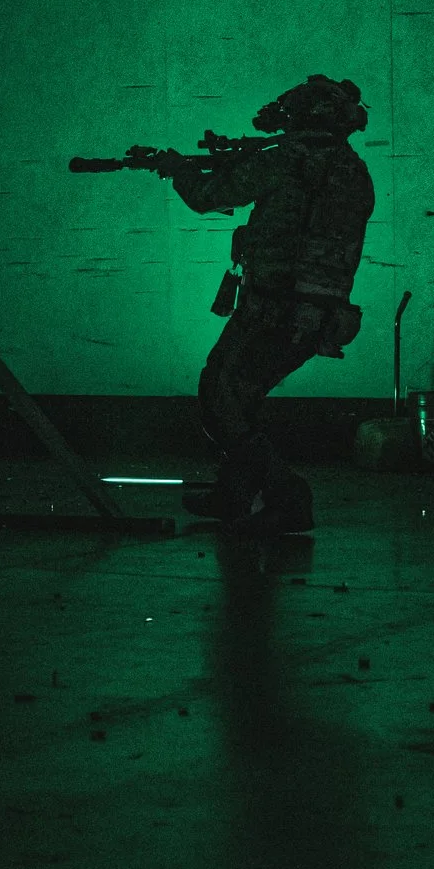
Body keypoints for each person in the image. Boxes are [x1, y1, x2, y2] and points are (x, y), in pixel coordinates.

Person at [158, 75, 375, 534]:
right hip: (319, 316)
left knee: (219, 394)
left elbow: (207, 197)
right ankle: (235, 494)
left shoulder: (284, 162)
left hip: (273, 308)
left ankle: (287, 496)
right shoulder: (355, 171)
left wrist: (178, 168)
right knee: (244, 397)